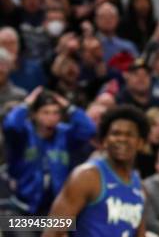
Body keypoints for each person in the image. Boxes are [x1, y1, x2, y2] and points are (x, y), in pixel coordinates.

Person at [43, 105, 149, 237]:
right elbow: (53, 230)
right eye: (116, 133)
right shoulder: (86, 176)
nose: (122, 139)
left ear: (140, 143)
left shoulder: (140, 188)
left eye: (129, 135)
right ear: (104, 141)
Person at [3, 87, 96, 215]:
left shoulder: (65, 134)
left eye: (56, 113)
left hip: (56, 211)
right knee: (12, 226)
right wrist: (26, 104)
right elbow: (11, 125)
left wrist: (69, 107)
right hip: (21, 208)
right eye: (45, 112)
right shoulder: (23, 134)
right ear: (34, 115)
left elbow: (89, 130)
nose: (51, 118)